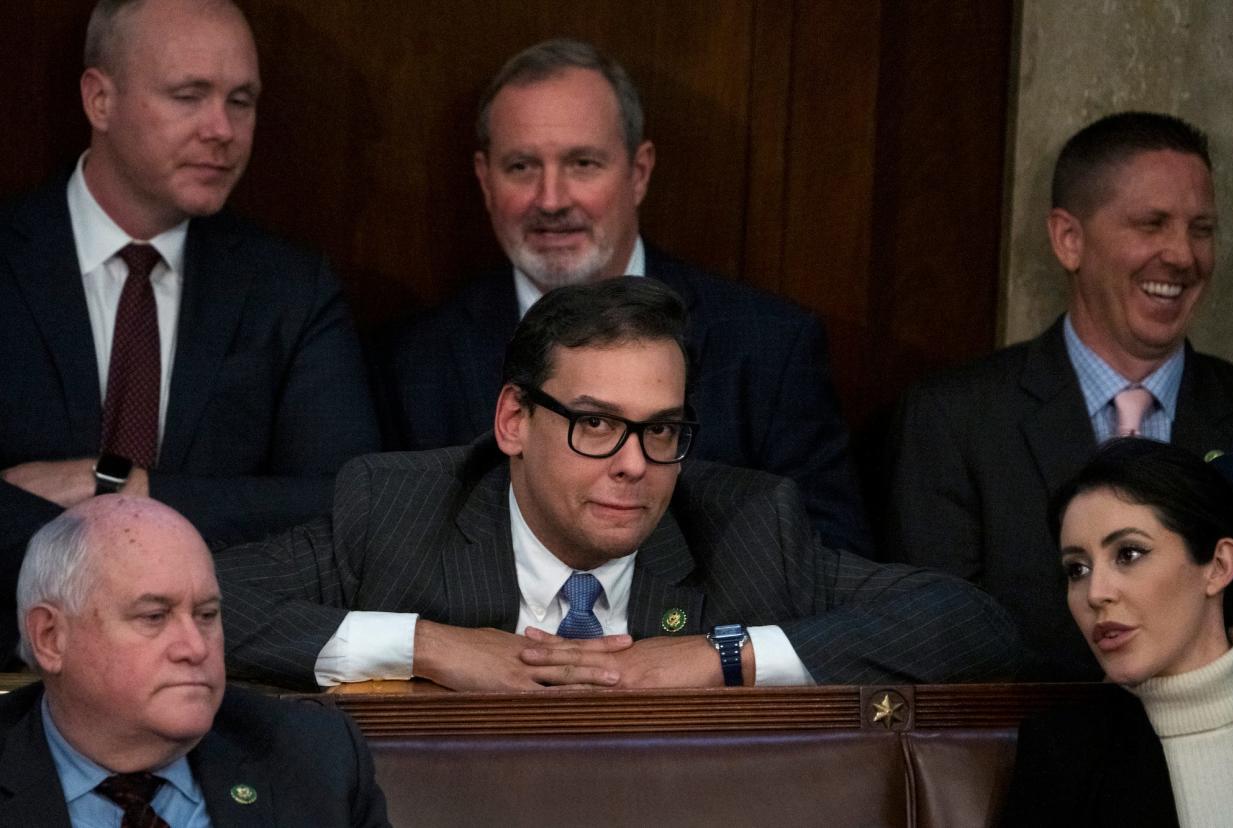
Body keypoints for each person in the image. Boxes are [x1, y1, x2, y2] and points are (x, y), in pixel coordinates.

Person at [219, 277, 1020, 692]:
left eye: (662, 429)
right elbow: (194, 607)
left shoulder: (746, 529)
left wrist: (723, 656)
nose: (634, 462)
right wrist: (427, 647)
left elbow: (971, 624)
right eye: (595, 424)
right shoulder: (397, 512)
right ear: (512, 423)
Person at [384, 38, 870, 554]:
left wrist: (701, 639)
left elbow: (831, 567)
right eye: (522, 167)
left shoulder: (770, 348)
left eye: (583, 164)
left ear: (638, 172)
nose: (551, 200)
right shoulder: (414, 359)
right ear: (485, 180)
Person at [0, 0, 380, 659]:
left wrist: (122, 486)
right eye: (188, 96)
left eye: (241, 101)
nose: (222, 129)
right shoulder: (10, 260)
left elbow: (349, 506)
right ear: (100, 99)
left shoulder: (289, 289)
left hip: (223, 672)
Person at [884, 111, 1233, 678]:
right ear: (1069, 239)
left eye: (1202, 229)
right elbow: (938, 641)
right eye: (1152, 224)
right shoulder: (955, 419)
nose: (1183, 255)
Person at [0, 495, 389, 826]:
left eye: (206, 615)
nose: (195, 647)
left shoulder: (311, 760)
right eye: (154, 617)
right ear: (50, 638)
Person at [1002, 439, 1233, 826]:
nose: (1096, 594)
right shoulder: (1064, 754)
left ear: (1218, 565)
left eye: (1129, 554)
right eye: (1077, 569)